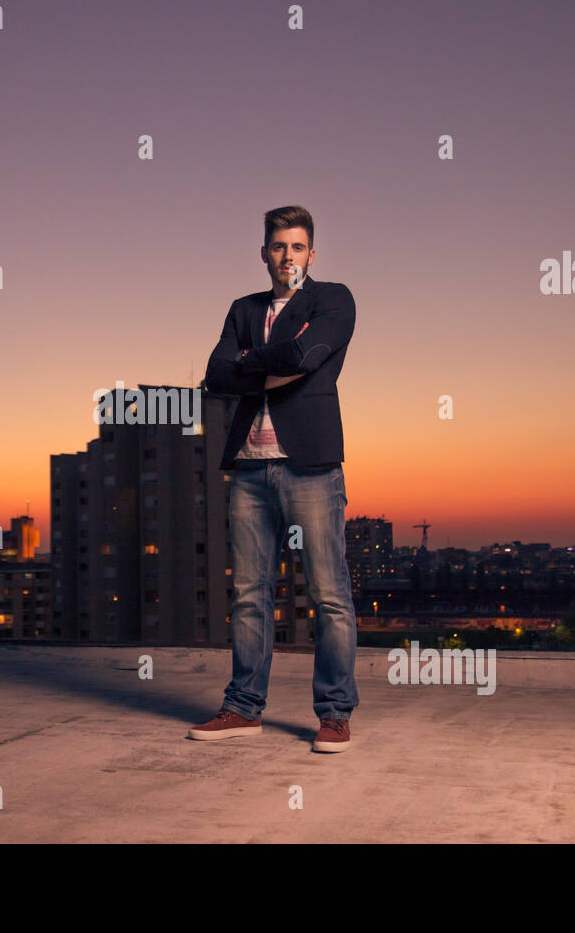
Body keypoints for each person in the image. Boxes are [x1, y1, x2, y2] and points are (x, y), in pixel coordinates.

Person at [190, 205, 359, 752]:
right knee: (248, 596)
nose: (287, 256)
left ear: (312, 253)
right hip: (248, 468)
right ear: (264, 252)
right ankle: (243, 709)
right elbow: (215, 375)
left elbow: (308, 354)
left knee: (329, 597)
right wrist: (268, 364)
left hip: (309, 467)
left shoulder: (333, 299)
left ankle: (334, 715)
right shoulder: (242, 308)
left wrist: (249, 364)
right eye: (278, 246)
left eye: (298, 247)